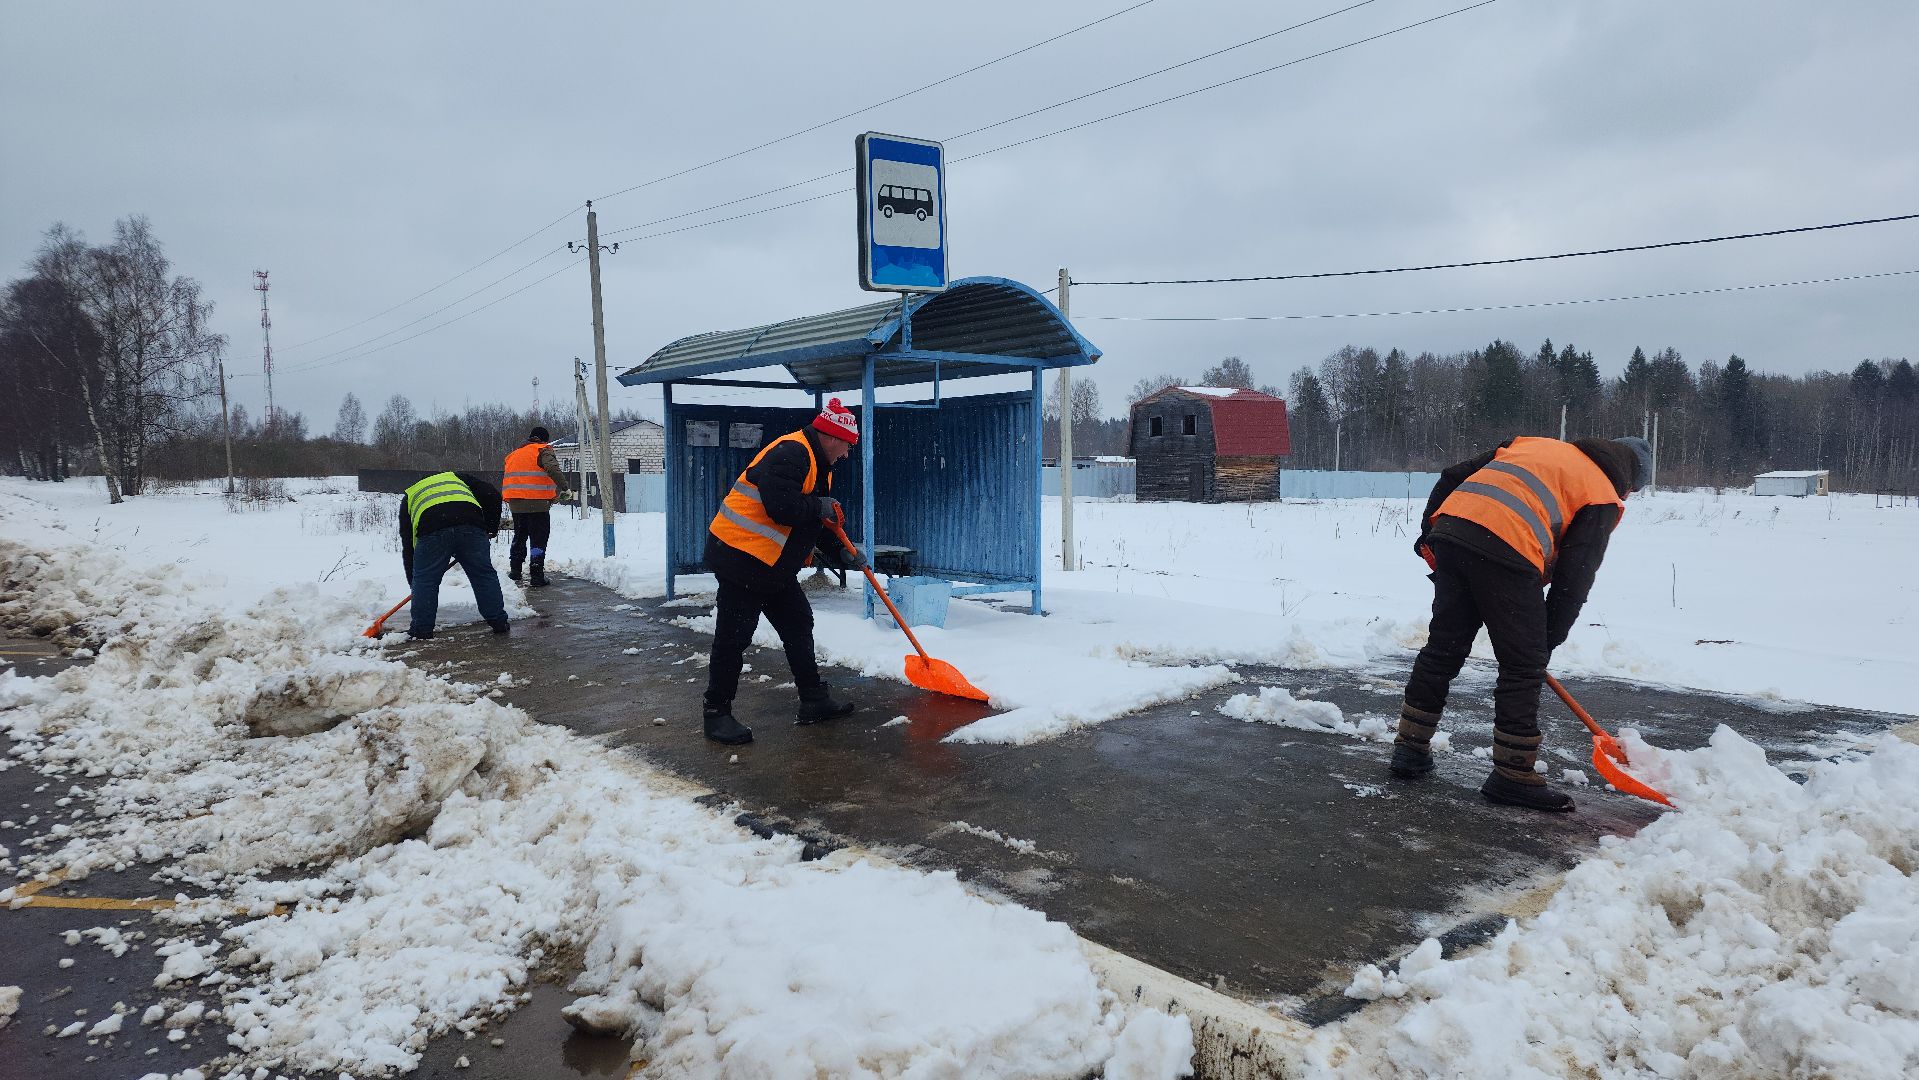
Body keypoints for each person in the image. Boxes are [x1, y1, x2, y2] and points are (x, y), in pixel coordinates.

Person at [1391, 435, 1653, 811]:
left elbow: (1452, 475)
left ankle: (1409, 749)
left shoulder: (1530, 445)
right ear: (1628, 482)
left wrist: (1430, 535)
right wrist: (1541, 645)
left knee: (1443, 648)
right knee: (1521, 668)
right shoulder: (1601, 494)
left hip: (1453, 530)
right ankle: (1513, 775)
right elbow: (1574, 578)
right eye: (1631, 493)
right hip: (1509, 547)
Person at [699, 398, 865, 745]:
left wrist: (843, 553)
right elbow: (782, 508)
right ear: (833, 437)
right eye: (848, 446)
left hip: (771, 565)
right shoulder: (792, 453)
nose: (847, 454)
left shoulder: (820, 465)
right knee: (734, 636)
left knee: (798, 622)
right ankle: (716, 714)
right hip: (740, 557)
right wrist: (817, 506)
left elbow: (814, 521)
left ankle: (813, 700)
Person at [399, 469, 510, 640]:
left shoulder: (411, 494)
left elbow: (408, 548)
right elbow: (492, 494)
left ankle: (421, 629)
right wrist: (490, 527)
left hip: (432, 530)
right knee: (483, 575)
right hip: (471, 526)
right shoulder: (458, 478)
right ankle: (499, 622)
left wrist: (415, 584)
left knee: (426, 580)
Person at [501, 426, 571, 587]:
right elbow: (552, 468)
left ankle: (515, 571)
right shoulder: (543, 450)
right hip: (537, 503)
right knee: (538, 539)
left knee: (519, 536)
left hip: (516, 503)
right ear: (544, 439)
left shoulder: (514, 454)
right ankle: (537, 574)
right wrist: (565, 488)